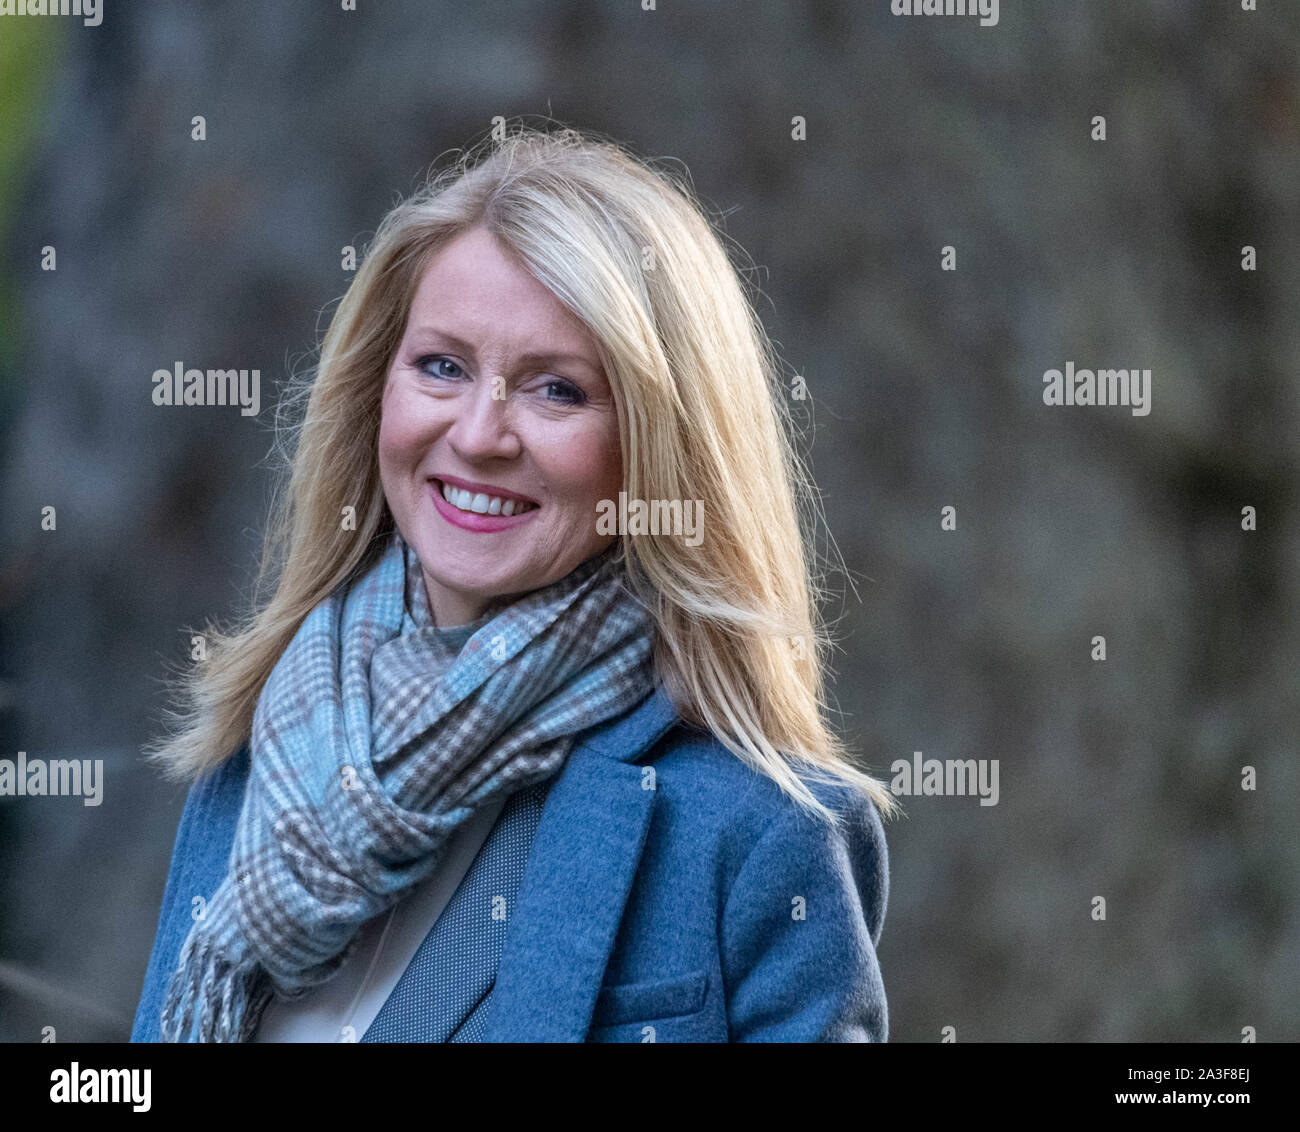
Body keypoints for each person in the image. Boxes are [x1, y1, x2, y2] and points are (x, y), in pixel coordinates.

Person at [130, 123, 898, 1043]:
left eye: (556, 390)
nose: (481, 434)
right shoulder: (252, 765)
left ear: (658, 449)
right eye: (442, 367)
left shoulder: (759, 836)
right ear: (379, 391)